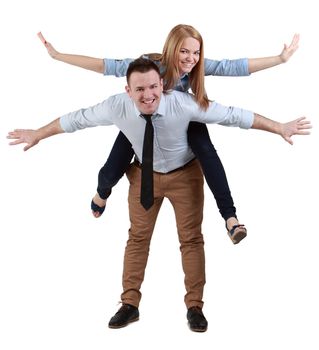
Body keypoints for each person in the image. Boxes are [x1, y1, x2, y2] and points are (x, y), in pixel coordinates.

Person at [7, 58, 311, 332]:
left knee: (191, 239)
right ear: (128, 90)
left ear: (162, 85)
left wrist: (278, 126)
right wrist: (37, 133)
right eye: (139, 89)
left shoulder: (182, 103)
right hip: (143, 176)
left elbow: (234, 116)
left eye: (153, 86)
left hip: (184, 175)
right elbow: (76, 119)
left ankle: (195, 307)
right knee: (137, 238)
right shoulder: (116, 106)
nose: (148, 95)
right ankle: (129, 305)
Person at [40, 25, 300, 244]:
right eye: (184, 51)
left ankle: (230, 218)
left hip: (181, 117)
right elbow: (104, 65)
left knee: (207, 153)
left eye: (196, 52)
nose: (191, 58)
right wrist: (58, 55)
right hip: (144, 116)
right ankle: (101, 193)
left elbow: (234, 67)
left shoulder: (195, 72)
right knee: (114, 163)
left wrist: (279, 60)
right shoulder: (150, 66)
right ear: (171, 49)